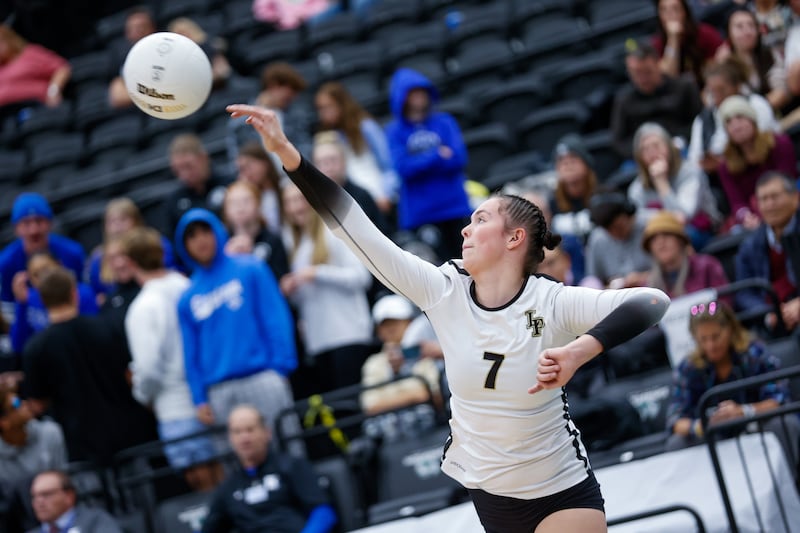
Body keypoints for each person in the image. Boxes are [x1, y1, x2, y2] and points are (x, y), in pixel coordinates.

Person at [227, 103, 670, 533]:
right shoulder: (443, 289)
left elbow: (652, 301)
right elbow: (353, 227)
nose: (464, 229)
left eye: (480, 219)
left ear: (515, 238)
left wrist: (579, 349)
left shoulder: (550, 300)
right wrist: (287, 152)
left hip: (560, 489)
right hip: (491, 496)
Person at [175, 209, 299, 449]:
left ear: (217, 232)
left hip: (263, 376)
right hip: (219, 392)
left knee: (286, 449)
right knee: (236, 465)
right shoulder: (187, 297)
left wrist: (280, 368)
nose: (200, 240)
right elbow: (191, 353)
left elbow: (275, 318)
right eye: (191, 236)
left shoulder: (251, 268)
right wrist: (199, 398)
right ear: (184, 245)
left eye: (204, 231)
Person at [21, 267, 157, 466]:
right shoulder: (107, 327)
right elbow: (130, 375)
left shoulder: (35, 348)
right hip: (129, 435)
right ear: (74, 294)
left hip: (82, 448)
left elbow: (37, 403)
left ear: (42, 300)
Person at [122, 227, 221, 492]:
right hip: (213, 398)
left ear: (131, 263)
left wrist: (141, 394)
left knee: (207, 495)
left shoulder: (142, 308)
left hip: (177, 410)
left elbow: (149, 369)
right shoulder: (187, 285)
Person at [665, 300, 799, 463]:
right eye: (703, 339)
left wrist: (743, 412)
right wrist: (701, 426)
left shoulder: (753, 353)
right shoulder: (688, 368)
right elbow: (675, 419)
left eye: (716, 337)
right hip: (713, 438)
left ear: (730, 330)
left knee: (783, 423)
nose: (711, 345)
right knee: (677, 442)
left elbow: (779, 399)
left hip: (756, 426)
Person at [281, 182, 375, 392]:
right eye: (288, 202)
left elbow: (361, 277)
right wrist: (291, 289)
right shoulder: (296, 245)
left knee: (352, 404)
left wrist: (317, 273)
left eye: (299, 199)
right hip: (318, 342)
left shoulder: (334, 231)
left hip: (348, 334)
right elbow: (305, 298)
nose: (295, 207)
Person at [202, 404, 337, 533]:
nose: (244, 438)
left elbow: (324, 513)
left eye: (250, 429)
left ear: (267, 432)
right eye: (237, 432)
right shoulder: (228, 488)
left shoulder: (291, 466)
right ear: (230, 438)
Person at [385, 67, 473, 263]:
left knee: (469, 263)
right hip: (420, 214)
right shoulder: (394, 131)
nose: (419, 97)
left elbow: (458, 158)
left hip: (454, 207)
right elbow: (402, 168)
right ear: (402, 97)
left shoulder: (444, 122)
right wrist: (436, 155)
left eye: (421, 91)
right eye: (412, 93)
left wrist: (420, 162)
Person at [629, 122, 722, 249]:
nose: (652, 153)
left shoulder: (691, 172)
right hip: (660, 237)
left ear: (669, 146)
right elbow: (637, 221)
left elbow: (682, 217)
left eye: (656, 146)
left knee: (677, 240)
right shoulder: (636, 189)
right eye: (645, 149)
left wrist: (661, 183)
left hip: (702, 231)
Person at [611, 38, 703, 159]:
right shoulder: (624, 100)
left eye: (647, 72)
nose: (643, 79)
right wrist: (643, 152)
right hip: (642, 158)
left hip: (683, 148)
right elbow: (618, 141)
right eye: (636, 73)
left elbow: (700, 121)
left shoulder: (683, 87)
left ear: (658, 64)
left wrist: (677, 141)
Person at [687, 56, 780, 176]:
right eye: (712, 92)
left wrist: (726, 162)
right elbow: (694, 161)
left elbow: (765, 141)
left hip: (765, 168)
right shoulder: (702, 119)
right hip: (721, 180)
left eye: (721, 90)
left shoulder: (756, 104)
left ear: (737, 86)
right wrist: (706, 163)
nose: (716, 96)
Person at [315, 81, 398, 211]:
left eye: (328, 107)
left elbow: (388, 164)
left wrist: (387, 194)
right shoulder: (328, 136)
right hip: (351, 201)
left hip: (377, 197)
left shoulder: (366, 127)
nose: (324, 113)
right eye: (320, 109)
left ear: (341, 104)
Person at [717, 94, 796, 231]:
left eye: (740, 118)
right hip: (753, 218)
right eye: (729, 122)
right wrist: (745, 217)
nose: (735, 125)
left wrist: (764, 211)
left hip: (784, 201)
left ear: (752, 120)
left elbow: (789, 181)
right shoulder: (725, 165)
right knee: (737, 232)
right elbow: (736, 202)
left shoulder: (779, 144)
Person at [735, 171, 800, 333]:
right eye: (763, 199)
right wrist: (768, 313)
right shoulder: (749, 246)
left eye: (775, 197)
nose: (770, 204)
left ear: (795, 198)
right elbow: (744, 293)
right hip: (772, 319)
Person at [0, 193, 84, 313]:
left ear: (49, 223)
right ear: (16, 228)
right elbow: (7, 309)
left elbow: (82, 294)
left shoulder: (72, 253)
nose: (34, 230)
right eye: (26, 223)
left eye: (39, 221)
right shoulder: (5, 263)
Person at [361, 294, 442, 417]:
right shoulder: (373, 362)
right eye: (385, 324)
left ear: (410, 322)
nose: (391, 328)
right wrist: (413, 396)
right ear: (378, 330)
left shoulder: (425, 352)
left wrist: (387, 400)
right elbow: (370, 406)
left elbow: (433, 395)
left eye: (396, 321)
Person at [86, 197, 176, 305]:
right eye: (112, 221)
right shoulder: (98, 258)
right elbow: (98, 294)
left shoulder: (156, 243)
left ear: (136, 221)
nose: (117, 226)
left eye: (123, 219)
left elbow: (169, 270)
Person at [227, 62, 312, 171]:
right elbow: (236, 162)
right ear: (274, 85)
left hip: (293, 177)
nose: (293, 97)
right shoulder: (239, 123)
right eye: (292, 89)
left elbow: (305, 152)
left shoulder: (296, 117)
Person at [10, 251, 97, 356]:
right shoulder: (28, 298)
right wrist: (21, 304)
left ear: (59, 265)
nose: (43, 278)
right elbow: (18, 346)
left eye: (46, 270)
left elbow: (93, 334)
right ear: (31, 280)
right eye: (36, 274)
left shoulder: (81, 293)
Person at [312, 131, 390, 236]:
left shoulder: (362, 196)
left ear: (344, 161)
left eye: (333, 160)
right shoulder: (311, 202)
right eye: (322, 162)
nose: (328, 167)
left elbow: (383, 235)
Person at [642, 210, 729, 298]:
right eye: (654, 239)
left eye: (666, 235)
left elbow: (724, 304)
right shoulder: (649, 287)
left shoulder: (707, 266)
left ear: (680, 240)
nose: (661, 242)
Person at [163, 133, 233, 240]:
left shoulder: (230, 184)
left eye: (188, 166)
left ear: (204, 158)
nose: (184, 175)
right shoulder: (174, 201)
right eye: (178, 170)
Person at [716, 7, 789, 110]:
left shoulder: (769, 54)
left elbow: (782, 91)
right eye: (739, 27)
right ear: (729, 33)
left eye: (751, 25)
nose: (747, 31)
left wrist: (758, 110)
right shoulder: (725, 64)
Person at [223, 181, 290, 280]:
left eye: (246, 201)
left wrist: (250, 256)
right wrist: (227, 258)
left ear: (258, 205)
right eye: (233, 203)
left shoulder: (273, 241)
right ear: (226, 211)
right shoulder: (222, 245)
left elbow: (282, 283)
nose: (240, 207)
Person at [0, 384, 66, 485]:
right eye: (16, 404)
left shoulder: (50, 432)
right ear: (3, 422)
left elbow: (63, 480)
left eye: (19, 399)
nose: (24, 403)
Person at [584, 192, 653, 289]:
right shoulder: (598, 239)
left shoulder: (650, 224)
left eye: (619, 227)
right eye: (609, 230)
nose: (615, 233)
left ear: (629, 215)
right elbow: (593, 282)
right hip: (618, 297)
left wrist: (644, 277)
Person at [0, 24, 70, 114]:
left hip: (36, 109)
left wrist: (53, 91)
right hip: (5, 115)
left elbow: (61, 68)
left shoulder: (30, 53)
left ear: (9, 40)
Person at [27, 470, 122, 533]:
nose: (38, 501)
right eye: (34, 496)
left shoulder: (96, 521)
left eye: (46, 494)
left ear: (69, 496)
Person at [653, 0, 723, 84]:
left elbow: (720, 65)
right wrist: (673, 39)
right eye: (664, 10)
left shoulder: (705, 33)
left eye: (675, 9)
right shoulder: (657, 43)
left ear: (684, 12)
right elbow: (667, 77)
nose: (670, 14)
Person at [548, 134, 596, 244]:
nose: (567, 164)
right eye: (561, 160)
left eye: (573, 158)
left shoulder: (602, 195)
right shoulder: (551, 204)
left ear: (587, 163)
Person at [108, 5, 157, 109]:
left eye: (142, 27)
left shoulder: (166, 52)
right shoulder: (123, 62)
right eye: (133, 28)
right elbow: (117, 98)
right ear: (127, 34)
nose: (138, 31)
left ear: (152, 29)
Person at [167, 17, 231, 89]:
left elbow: (223, 70)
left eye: (186, 32)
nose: (184, 36)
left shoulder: (209, 46)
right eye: (180, 34)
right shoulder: (175, 58)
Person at [235, 141, 284, 232]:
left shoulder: (285, 189)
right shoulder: (251, 201)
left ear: (264, 163)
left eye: (247, 166)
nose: (243, 175)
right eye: (240, 170)